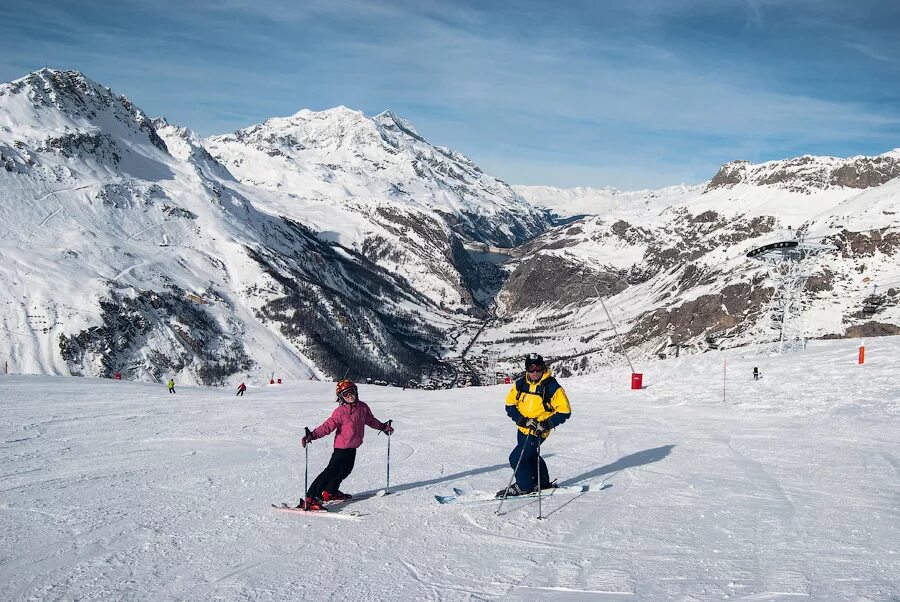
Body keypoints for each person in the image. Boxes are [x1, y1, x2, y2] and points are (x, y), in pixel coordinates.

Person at [299, 379, 394, 510]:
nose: (350, 396)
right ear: (341, 397)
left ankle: (330, 492)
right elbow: (327, 426)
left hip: (353, 447)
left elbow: (371, 420)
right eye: (346, 394)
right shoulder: (340, 412)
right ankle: (311, 497)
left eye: (352, 392)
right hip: (341, 448)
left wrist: (383, 427)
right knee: (331, 472)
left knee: (345, 471)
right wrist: (312, 435)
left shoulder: (362, 407)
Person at [497, 353, 571, 498]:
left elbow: (564, 411)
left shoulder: (551, 386)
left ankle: (524, 486)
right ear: (526, 369)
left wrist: (545, 424)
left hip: (538, 431)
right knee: (530, 456)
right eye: (531, 368)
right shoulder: (521, 384)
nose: (535, 372)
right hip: (522, 429)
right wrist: (522, 420)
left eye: (538, 368)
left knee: (516, 458)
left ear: (543, 367)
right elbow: (510, 405)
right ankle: (542, 482)